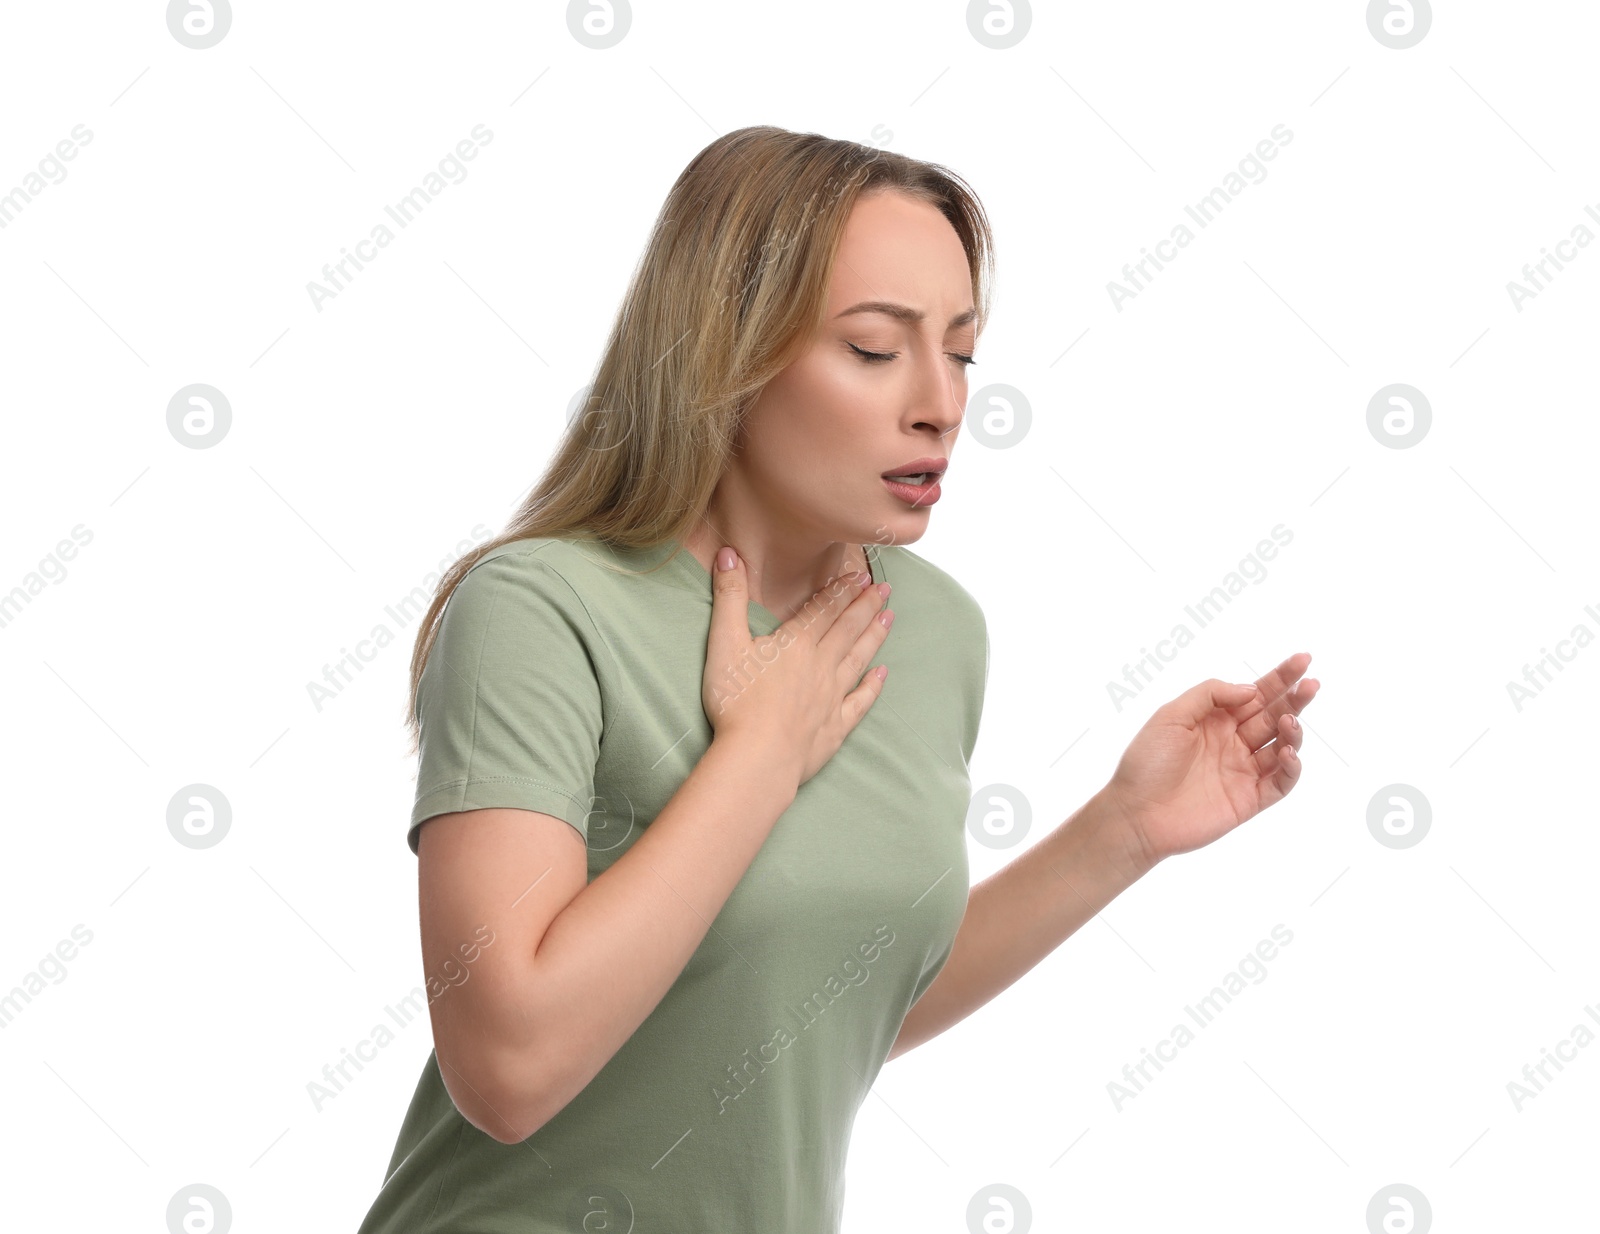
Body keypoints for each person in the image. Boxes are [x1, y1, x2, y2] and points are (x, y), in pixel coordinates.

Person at [353, 125, 1319, 1233]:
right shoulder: (540, 610)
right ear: (729, 353)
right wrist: (761, 751)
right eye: (873, 348)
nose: (941, 404)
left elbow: (821, 998)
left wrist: (1124, 830)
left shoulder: (933, 630)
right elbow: (508, 1067)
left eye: (960, 351)